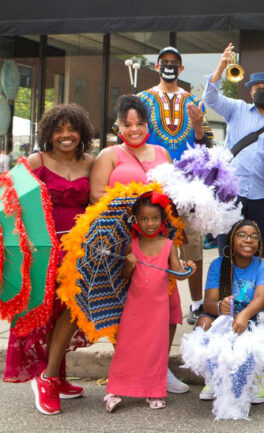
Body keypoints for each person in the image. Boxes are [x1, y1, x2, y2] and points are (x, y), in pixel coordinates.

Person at [91, 94, 189, 394]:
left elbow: (172, 197)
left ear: (148, 124)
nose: (134, 129)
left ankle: (160, 369)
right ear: (118, 125)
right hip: (123, 239)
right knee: (129, 307)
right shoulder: (109, 154)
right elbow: (96, 195)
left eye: (140, 123)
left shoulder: (162, 152)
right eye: (127, 124)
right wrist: (132, 208)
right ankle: (130, 369)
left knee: (168, 303)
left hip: (160, 240)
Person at [5, 104, 94, 415]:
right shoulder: (35, 161)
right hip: (43, 251)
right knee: (44, 314)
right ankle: (48, 377)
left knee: (70, 310)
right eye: (58, 130)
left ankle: (53, 374)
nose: (65, 135)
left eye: (71, 129)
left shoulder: (91, 163)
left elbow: (97, 203)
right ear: (48, 134)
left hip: (78, 251)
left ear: (81, 132)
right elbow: (10, 202)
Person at [136, 46, 213, 326]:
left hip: (188, 186)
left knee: (193, 246)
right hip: (153, 186)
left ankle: (196, 305)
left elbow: (206, 145)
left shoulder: (194, 102)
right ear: (157, 67)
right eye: (164, 62)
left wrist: (198, 126)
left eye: (174, 63)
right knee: (153, 245)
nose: (169, 66)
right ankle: (154, 305)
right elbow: (129, 136)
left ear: (181, 69)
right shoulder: (142, 100)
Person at [104, 193, 196, 412]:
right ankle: (114, 391)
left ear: (162, 219)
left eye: (154, 218)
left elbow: (178, 274)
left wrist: (189, 269)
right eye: (144, 219)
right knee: (127, 348)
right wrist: (129, 264)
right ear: (136, 220)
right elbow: (125, 278)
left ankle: (154, 391)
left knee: (156, 349)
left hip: (158, 309)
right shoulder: (131, 246)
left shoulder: (168, 245)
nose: (150, 223)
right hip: (135, 308)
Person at [203, 43, 264, 254]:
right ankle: (226, 287)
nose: (263, 90)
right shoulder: (237, 108)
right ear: (251, 92)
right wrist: (221, 67)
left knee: (257, 250)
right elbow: (210, 98)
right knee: (226, 249)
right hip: (230, 192)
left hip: (262, 195)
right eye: (257, 87)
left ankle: (255, 287)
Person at [196, 219, 264, 403]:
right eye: (242, 235)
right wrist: (220, 307)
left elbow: (260, 298)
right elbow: (209, 302)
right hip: (226, 315)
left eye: (254, 237)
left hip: (255, 316)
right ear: (232, 240)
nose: (248, 240)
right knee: (203, 323)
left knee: (263, 318)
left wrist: (243, 314)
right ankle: (214, 376)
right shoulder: (219, 264)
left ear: (259, 243)